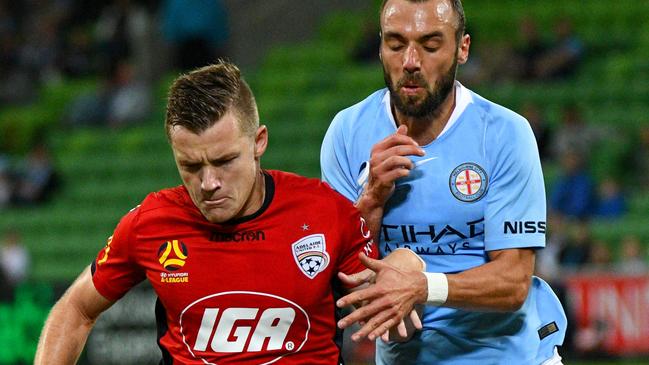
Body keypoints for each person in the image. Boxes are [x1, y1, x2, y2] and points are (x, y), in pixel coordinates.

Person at [35, 61, 422, 364]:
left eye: (224, 161)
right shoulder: (150, 223)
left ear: (259, 142)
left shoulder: (325, 212)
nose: (209, 183)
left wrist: (406, 271)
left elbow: (388, 322)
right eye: (190, 166)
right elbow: (75, 309)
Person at [320, 0, 567, 364]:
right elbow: (337, 279)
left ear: (462, 48)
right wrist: (371, 199)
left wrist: (422, 286)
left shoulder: (504, 134)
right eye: (395, 44)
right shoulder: (347, 132)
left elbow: (513, 281)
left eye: (430, 45)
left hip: (510, 355)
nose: (410, 62)